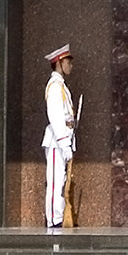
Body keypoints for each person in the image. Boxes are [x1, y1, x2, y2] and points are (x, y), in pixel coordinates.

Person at [42, 44, 77, 230]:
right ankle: (54, 220)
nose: (70, 66)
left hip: (63, 140)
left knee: (62, 180)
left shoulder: (61, 86)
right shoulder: (55, 87)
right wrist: (64, 144)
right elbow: (55, 118)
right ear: (58, 63)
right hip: (57, 142)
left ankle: (58, 217)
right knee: (56, 182)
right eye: (67, 62)